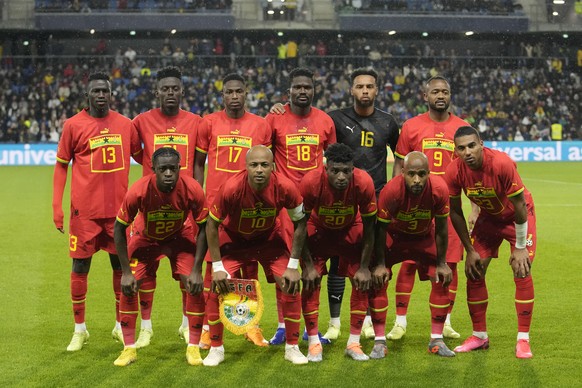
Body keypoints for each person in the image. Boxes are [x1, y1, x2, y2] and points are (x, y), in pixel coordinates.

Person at [52, 72, 142, 351]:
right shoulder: (73, 125)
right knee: (80, 266)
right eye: (96, 91)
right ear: (87, 96)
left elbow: (145, 157)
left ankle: (119, 325)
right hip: (85, 214)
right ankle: (80, 330)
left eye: (105, 91)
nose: (101, 95)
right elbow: (61, 166)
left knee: (121, 268)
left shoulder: (125, 125)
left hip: (119, 215)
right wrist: (57, 208)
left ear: (111, 94)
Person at [203, 145, 312, 366]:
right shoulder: (232, 188)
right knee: (217, 287)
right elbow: (211, 225)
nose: (259, 169)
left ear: (272, 166)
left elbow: (300, 223)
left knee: (290, 284)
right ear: (246, 167)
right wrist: (217, 267)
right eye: (254, 165)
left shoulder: (285, 187)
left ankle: (292, 347)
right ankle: (216, 349)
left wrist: (293, 265)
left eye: (264, 165)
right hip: (234, 242)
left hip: (268, 241)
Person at [387, 75, 472, 341]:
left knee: (451, 264)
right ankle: (400, 321)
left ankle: (445, 320)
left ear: (450, 95)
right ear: (426, 96)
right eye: (435, 91)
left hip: (450, 208)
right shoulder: (411, 126)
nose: (440, 95)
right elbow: (399, 166)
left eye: (444, 91)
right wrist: (395, 201)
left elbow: (470, 171)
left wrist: (476, 208)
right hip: (415, 206)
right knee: (409, 261)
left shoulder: (462, 127)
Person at [194, 73, 272, 348]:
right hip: (216, 208)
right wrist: (201, 197)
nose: (235, 96)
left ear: (246, 93)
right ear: (223, 95)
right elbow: (199, 163)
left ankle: (251, 324)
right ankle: (207, 327)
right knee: (211, 269)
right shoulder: (209, 123)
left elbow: (267, 165)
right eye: (230, 92)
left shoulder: (260, 125)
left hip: (249, 209)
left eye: (239, 91)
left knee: (249, 268)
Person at [445, 126, 536, 359]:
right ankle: (479, 336)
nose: (467, 152)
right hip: (489, 218)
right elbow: (454, 212)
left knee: (521, 269)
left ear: (481, 144)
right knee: (474, 271)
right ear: (456, 151)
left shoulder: (501, 163)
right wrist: (469, 249)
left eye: (472, 146)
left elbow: (519, 206)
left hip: (518, 217)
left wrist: (520, 247)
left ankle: (523, 339)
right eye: (461, 148)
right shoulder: (454, 171)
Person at [112, 147, 208, 366]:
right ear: (153, 169)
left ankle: (193, 347)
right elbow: (118, 228)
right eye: (162, 169)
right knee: (129, 286)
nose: (168, 173)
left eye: (172, 169)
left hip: (179, 239)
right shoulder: (139, 190)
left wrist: (196, 270)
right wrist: (125, 272)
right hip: (145, 239)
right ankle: (129, 348)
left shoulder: (192, 188)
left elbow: (204, 228)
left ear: (179, 168)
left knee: (193, 285)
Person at [323, 67, 400, 341]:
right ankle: (334, 323)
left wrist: (394, 186)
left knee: (367, 260)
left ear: (377, 90)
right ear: (351, 90)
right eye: (360, 86)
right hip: (343, 201)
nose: (365, 91)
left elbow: (399, 156)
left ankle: (367, 319)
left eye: (370, 86)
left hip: (376, 198)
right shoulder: (334, 119)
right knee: (336, 260)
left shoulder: (388, 122)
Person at [131, 65, 204, 348]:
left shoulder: (197, 122)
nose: (170, 93)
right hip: (149, 210)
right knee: (146, 271)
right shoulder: (140, 122)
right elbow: (137, 154)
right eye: (165, 88)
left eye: (175, 88)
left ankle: (186, 324)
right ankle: (146, 328)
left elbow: (200, 162)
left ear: (182, 91)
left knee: (186, 273)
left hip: (184, 211)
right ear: (157, 92)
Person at [266, 67, 336, 345]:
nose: (303, 91)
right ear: (289, 91)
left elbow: (332, 162)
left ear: (313, 90)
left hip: (315, 204)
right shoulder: (274, 119)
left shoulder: (325, 121)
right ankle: (283, 326)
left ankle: (312, 329)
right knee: (286, 265)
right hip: (284, 206)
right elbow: (263, 156)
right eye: (298, 87)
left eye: (307, 87)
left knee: (314, 266)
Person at [300, 143, 388, 362]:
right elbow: (299, 225)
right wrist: (308, 266)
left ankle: (353, 343)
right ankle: (314, 343)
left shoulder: (363, 182)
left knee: (361, 281)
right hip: (319, 231)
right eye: (335, 170)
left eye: (346, 171)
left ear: (353, 169)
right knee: (311, 282)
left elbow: (370, 227)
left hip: (350, 230)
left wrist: (365, 267)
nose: (341, 176)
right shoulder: (311, 182)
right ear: (325, 168)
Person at [374, 151, 455, 357]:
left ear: (429, 173)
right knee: (378, 280)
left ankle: (436, 339)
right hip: (395, 238)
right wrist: (381, 263)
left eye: (421, 174)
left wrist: (442, 262)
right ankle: (379, 341)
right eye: (411, 174)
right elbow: (380, 229)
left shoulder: (439, 189)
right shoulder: (391, 191)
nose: (416, 179)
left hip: (423, 237)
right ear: (402, 172)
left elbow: (442, 229)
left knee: (441, 277)